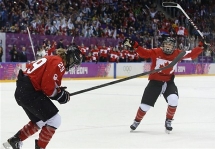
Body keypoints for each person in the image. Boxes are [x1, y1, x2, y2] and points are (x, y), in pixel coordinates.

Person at [3, 45, 82, 149]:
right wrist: (60, 95)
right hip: (30, 91)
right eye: (72, 60)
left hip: (22, 91)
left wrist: (60, 93)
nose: (71, 64)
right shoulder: (59, 63)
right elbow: (47, 87)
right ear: (68, 56)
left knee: (40, 121)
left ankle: (14, 141)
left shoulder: (54, 59)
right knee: (55, 120)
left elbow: (51, 85)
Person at [122, 37, 206, 133]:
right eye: (166, 44)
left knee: (174, 99)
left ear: (174, 47)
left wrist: (201, 45)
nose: (167, 46)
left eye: (170, 45)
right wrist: (135, 45)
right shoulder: (157, 51)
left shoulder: (178, 53)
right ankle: (136, 121)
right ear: (163, 45)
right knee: (145, 106)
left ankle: (168, 121)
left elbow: (191, 54)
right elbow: (144, 53)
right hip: (155, 82)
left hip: (168, 82)